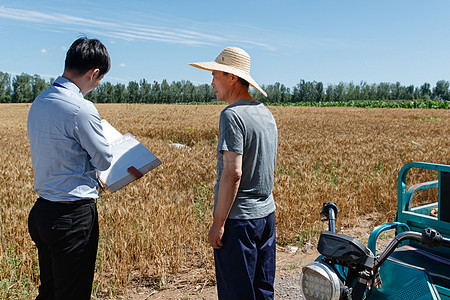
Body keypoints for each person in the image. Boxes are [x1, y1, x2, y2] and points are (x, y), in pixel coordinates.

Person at [27, 37, 113, 299]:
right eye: (99, 80)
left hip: (42, 213)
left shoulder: (40, 101)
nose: (97, 86)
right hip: (72, 217)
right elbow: (104, 161)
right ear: (93, 73)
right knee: (73, 293)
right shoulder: (80, 109)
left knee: (50, 290)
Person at [189, 47, 278, 299]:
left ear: (232, 77)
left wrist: (218, 224)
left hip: (240, 223)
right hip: (266, 217)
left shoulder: (232, 115)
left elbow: (233, 173)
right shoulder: (265, 112)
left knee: (237, 294)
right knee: (263, 290)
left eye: (215, 75)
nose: (211, 83)